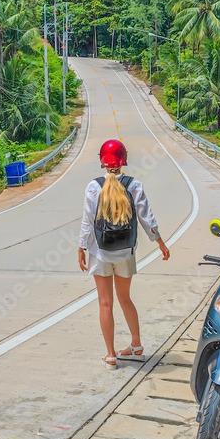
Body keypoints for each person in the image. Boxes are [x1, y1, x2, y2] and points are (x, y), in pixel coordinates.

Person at [78, 139, 170, 370]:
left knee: (105, 303)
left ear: (102, 161)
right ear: (123, 160)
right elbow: (146, 218)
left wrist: (81, 247)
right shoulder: (134, 185)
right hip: (126, 254)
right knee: (125, 299)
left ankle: (110, 355)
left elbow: (88, 223)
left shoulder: (93, 187)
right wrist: (160, 242)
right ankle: (136, 345)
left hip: (101, 254)